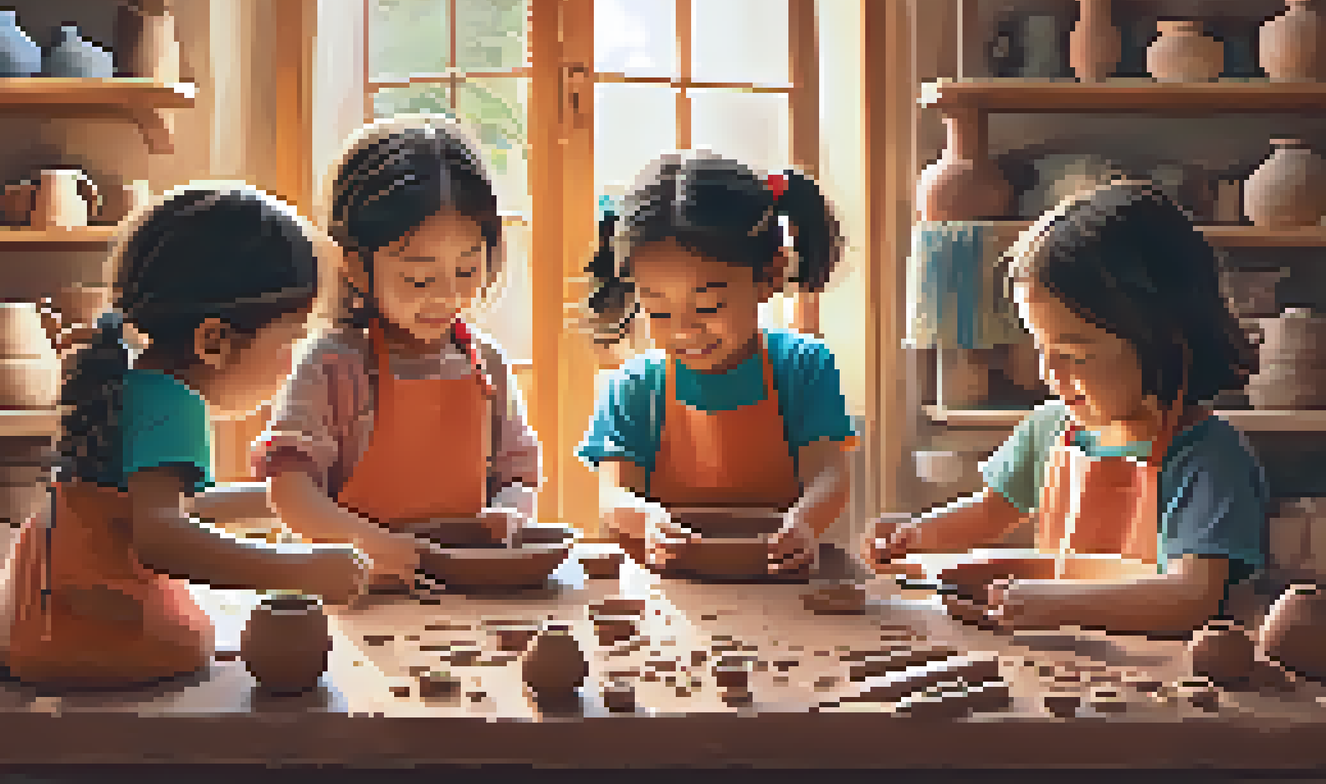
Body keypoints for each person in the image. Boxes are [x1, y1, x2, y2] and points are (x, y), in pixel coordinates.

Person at [0, 185, 370, 690]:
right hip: (91, 620)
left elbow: (148, 509)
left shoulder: (140, 384)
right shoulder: (173, 404)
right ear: (213, 340)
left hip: (59, 600)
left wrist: (275, 500)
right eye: (289, 341)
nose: (292, 364)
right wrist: (300, 570)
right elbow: (162, 539)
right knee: (200, 644)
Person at [865, 180, 1267, 636]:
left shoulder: (1210, 460)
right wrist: (916, 535)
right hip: (1071, 675)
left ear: (1165, 340)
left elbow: (1189, 597)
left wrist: (1059, 606)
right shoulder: (1051, 428)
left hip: (1172, 692)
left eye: (1074, 355)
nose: (1049, 374)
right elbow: (990, 512)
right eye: (1041, 347)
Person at [258, 115, 542, 589]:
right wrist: (378, 547)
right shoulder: (331, 365)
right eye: (419, 278)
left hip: (460, 591)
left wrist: (511, 513)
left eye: (468, 269)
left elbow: (519, 475)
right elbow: (290, 493)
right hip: (351, 594)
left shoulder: (485, 363)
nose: (447, 296)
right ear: (355, 265)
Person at [573, 150, 856, 576]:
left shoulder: (803, 367)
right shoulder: (635, 387)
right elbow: (613, 497)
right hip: (665, 590)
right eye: (660, 313)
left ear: (770, 276)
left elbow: (830, 476)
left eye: (708, 307)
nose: (684, 330)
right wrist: (646, 520)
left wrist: (805, 523)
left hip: (778, 580)